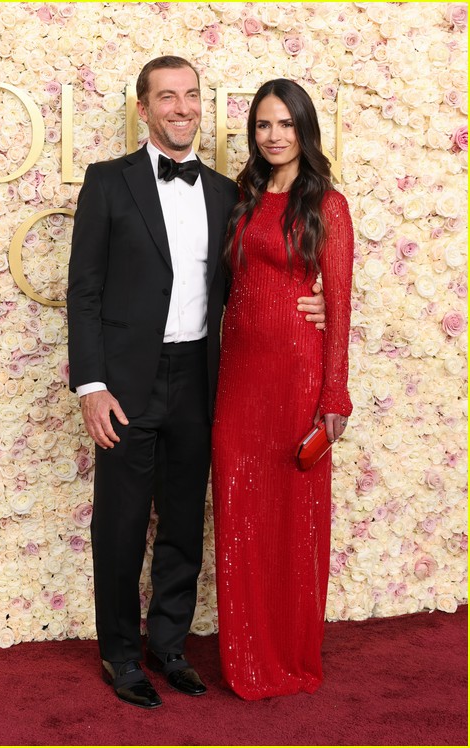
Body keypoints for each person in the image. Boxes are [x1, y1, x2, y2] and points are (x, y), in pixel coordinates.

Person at [67, 57, 325, 709]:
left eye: (192, 96)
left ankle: (169, 645)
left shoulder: (223, 192)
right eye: (167, 97)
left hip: (203, 377)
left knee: (184, 520)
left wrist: (313, 300)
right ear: (144, 108)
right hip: (125, 382)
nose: (182, 108)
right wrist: (91, 384)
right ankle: (122, 655)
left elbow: (254, 285)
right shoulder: (107, 183)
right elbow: (86, 291)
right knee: (122, 523)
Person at [212, 79, 354, 700]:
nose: (274, 137)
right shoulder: (241, 197)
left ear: (305, 130)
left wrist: (334, 397)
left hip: (297, 376)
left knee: (294, 521)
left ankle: (290, 655)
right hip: (238, 379)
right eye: (264, 126)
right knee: (240, 512)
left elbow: (340, 307)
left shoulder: (328, 204)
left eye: (286, 125)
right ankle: (246, 654)